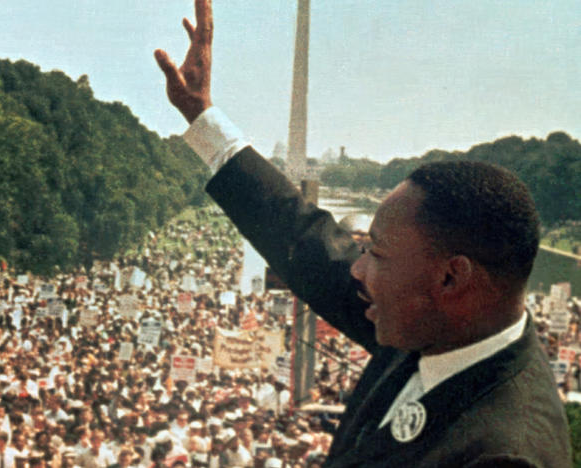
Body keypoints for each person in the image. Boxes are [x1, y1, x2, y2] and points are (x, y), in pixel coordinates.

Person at [154, 0, 572, 466]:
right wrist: (202, 116)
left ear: (451, 278)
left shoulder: (505, 455)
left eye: (375, 253)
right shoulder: (439, 325)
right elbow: (306, 240)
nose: (355, 267)